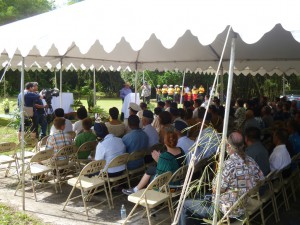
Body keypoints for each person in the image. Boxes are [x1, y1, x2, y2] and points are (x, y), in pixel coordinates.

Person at [179, 132, 264, 224]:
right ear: (243, 145)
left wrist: (217, 173)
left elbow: (216, 190)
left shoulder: (228, 165)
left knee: (183, 204)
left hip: (224, 212)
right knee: (199, 196)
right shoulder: (250, 161)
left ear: (228, 146)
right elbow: (261, 179)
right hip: (242, 207)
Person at [122, 130, 186, 195]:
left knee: (150, 170)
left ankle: (136, 190)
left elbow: (161, 176)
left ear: (165, 141)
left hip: (170, 187)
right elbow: (172, 166)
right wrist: (160, 160)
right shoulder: (181, 150)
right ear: (176, 140)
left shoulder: (165, 157)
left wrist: (158, 160)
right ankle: (136, 189)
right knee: (151, 169)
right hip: (180, 182)